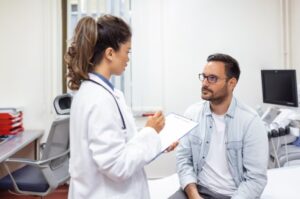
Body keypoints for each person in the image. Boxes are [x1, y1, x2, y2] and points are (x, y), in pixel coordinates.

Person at [65, 15, 175, 199]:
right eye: (127, 51)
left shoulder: (103, 93)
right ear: (110, 53)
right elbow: (117, 166)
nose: (128, 58)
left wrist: (157, 138)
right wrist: (149, 133)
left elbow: (121, 138)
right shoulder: (99, 100)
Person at [173, 53, 268, 199]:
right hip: (197, 190)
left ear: (231, 83)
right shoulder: (192, 114)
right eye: (203, 77)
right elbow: (183, 159)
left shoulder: (251, 122)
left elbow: (255, 179)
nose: (204, 83)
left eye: (212, 78)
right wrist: (193, 195)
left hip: (234, 195)